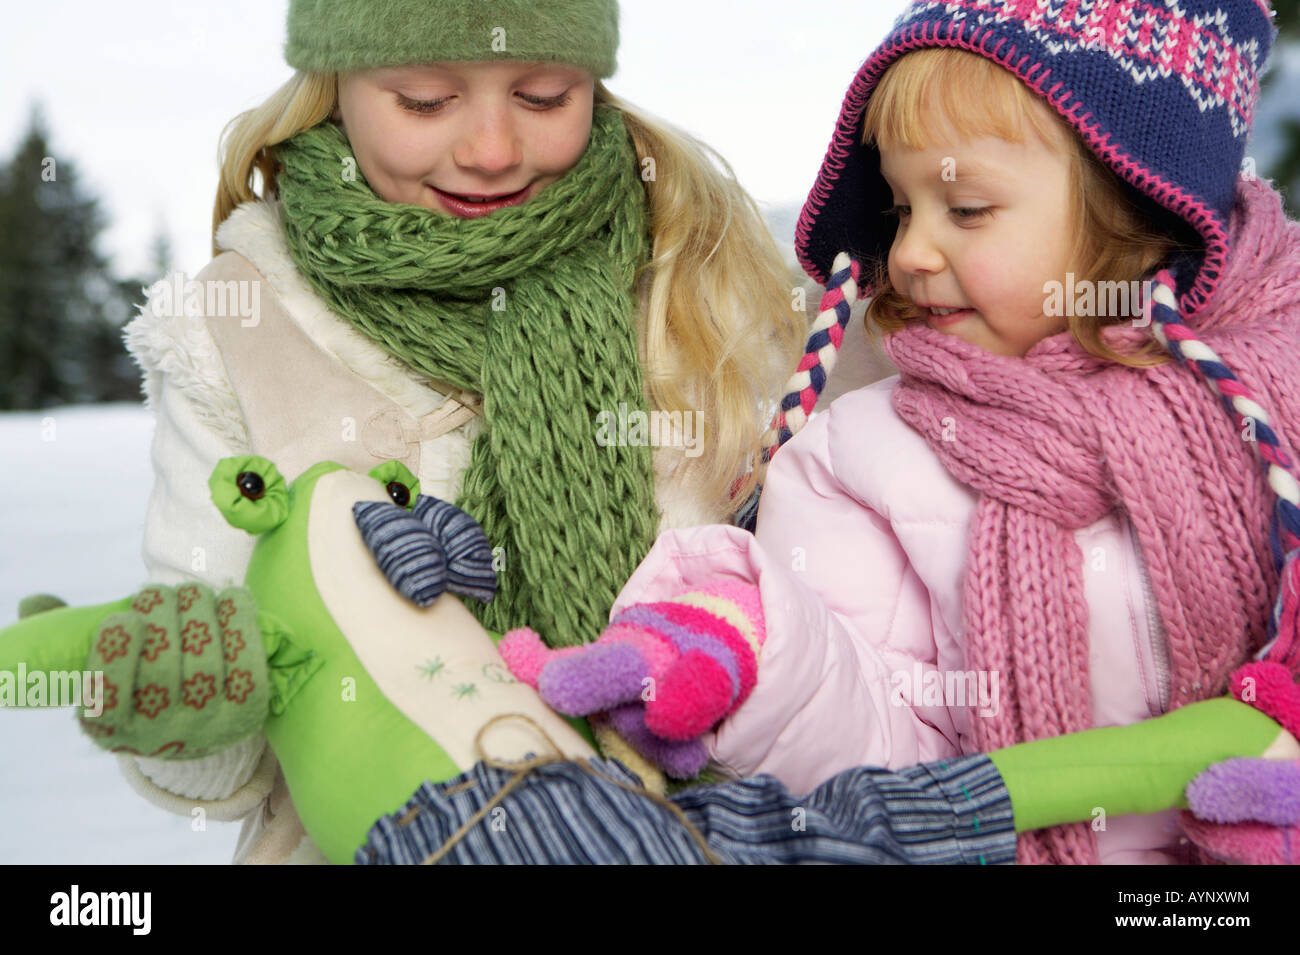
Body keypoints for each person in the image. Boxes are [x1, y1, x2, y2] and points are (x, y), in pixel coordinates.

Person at [569, 0, 1300, 864]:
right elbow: (886, 741)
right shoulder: (860, 460)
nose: (911, 251)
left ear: (1142, 208)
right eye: (900, 208)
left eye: (967, 208)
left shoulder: (1267, 413)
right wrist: (762, 659)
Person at [113, 0, 805, 864]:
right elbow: (216, 774)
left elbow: (836, 642)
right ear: (333, 88)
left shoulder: (702, 283)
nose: (491, 151)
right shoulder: (239, 326)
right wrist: (186, 695)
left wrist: (715, 660)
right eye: (425, 100)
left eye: (545, 95)